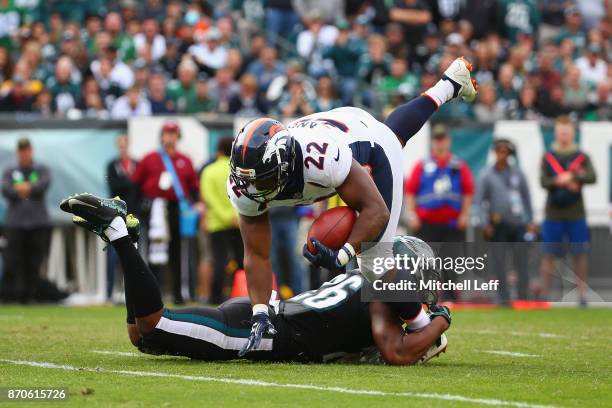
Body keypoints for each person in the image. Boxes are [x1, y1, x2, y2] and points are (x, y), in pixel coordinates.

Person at [227, 57, 477, 355]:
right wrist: (259, 314)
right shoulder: (245, 186)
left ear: (284, 162)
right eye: (251, 183)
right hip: (339, 124)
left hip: (364, 143)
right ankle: (448, 84)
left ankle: (425, 325)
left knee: (374, 261)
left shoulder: (317, 159)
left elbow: (376, 211)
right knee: (394, 132)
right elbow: (256, 254)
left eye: (265, 181)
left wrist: (343, 253)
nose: (257, 191)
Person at [59, 193, 452, 365]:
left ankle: (126, 238)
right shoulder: (387, 287)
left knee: (142, 337)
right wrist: (440, 320)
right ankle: (120, 236)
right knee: (153, 326)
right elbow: (396, 352)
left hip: (264, 317)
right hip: (262, 334)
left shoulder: (368, 277)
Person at [132, 121, 200, 304]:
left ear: (178, 137)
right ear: (162, 136)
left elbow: (194, 188)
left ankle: (179, 293)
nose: (170, 137)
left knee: (178, 251)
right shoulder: (150, 158)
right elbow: (136, 184)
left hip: (176, 208)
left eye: (173, 133)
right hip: (155, 208)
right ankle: (154, 294)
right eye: (167, 133)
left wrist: (196, 205)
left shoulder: (185, 160)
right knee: (155, 250)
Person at [539, 116, 596, 307]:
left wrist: (573, 177)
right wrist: (558, 181)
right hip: (553, 213)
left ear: (572, 132)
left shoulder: (582, 156)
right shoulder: (548, 156)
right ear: (556, 132)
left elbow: (592, 176)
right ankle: (545, 295)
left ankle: (582, 295)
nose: (564, 134)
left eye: (567, 131)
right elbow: (543, 181)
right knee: (549, 254)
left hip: (576, 213)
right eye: (561, 131)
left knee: (580, 254)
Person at [477, 139, 535, 303]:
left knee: (521, 260)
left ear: (509, 154)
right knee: (499, 263)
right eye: (499, 151)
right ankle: (503, 297)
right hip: (498, 225)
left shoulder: (518, 174)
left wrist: (530, 220)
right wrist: (484, 223)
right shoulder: (486, 175)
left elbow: (527, 199)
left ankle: (523, 296)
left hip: (518, 224)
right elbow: (480, 201)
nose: (502, 155)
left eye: (505, 152)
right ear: (495, 153)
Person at [1, 138, 52, 303]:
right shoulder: (10, 170)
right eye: (21, 151)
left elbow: (42, 185)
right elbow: (6, 189)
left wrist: (24, 187)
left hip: (38, 223)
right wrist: (30, 187)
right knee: (14, 260)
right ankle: (15, 295)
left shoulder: (41, 168)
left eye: (27, 150)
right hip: (15, 224)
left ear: (31, 151)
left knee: (35, 260)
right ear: (18, 152)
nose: (24, 153)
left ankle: (32, 295)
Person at [405, 124, 474, 243]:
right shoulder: (421, 165)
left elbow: (468, 191)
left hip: (453, 226)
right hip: (426, 226)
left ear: (449, 141)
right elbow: (410, 191)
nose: (440, 143)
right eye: (437, 139)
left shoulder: (459, 165)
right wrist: (412, 215)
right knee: (426, 261)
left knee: (451, 261)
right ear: (432, 141)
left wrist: (464, 214)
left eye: (442, 139)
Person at [200, 138, 244, 304]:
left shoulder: (208, 171)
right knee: (241, 260)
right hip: (238, 222)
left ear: (218, 151)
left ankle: (215, 297)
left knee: (219, 261)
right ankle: (240, 295)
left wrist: (223, 216)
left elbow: (209, 199)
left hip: (217, 224)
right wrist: (234, 215)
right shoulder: (238, 171)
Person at [105, 134, 140, 300]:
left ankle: (132, 291)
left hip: (133, 216)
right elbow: (114, 187)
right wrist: (131, 181)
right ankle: (110, 291)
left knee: (134, 254)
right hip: (117, 216)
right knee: (113, 255)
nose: (122, 147)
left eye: (124, 144)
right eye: (120, 144)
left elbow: (139, 187)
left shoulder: (136, 164)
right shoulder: (113, 165)